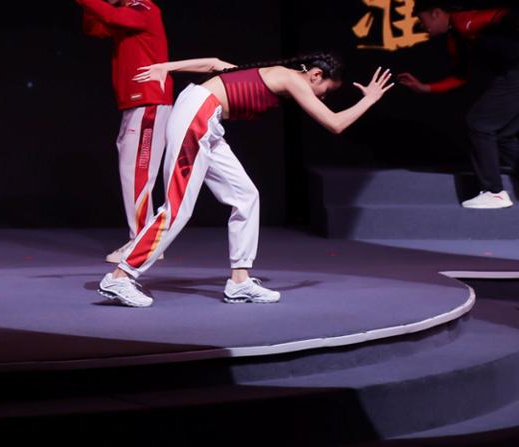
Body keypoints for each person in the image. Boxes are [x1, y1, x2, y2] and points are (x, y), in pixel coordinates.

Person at [98, 53, 393, 308]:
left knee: (246, 196)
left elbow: (214, 64)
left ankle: (239, 281)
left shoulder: (274, 74)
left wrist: (167, 67)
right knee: (178, 208)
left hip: (206, 119)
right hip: (197, 115)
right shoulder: (293, 79)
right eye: (325, 90)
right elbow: (335, 123)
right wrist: (370, 99)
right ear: (315, 75)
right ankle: (120, 276)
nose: (322, 97)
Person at [48, 0, 172, 261]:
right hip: (136, 104)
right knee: (132, 173)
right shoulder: (126, 13)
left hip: (149, 102)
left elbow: (112, 17)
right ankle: (144, 240)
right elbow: (96, 28)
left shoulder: (144, 8)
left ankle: (142, 243)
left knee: (137, 175)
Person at [398, 1, 519, 208]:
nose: (422, 26)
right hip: (512, 74)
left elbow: (508, 15)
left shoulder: (464, 21)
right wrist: (424, 88)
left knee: (479, 123)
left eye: (422, 20)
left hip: (515, 73)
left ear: (436, 13)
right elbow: (460, 77)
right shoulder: (455, 39)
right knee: (503, 134)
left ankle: (494, 192)